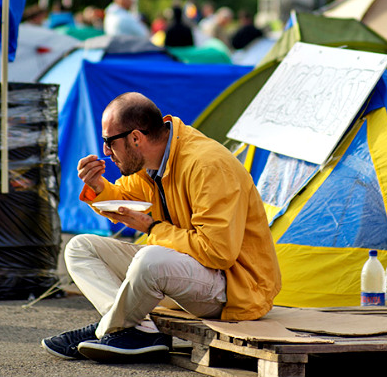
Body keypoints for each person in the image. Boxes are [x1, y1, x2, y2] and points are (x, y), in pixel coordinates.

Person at [42, 92, 282, 363]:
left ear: (135, 138)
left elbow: (218, 253)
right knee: (79, 247)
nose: (106, 152)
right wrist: (98, 187)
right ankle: (134, 328)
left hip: (236, 288)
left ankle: (105, 330)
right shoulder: (151, 162)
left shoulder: (207, 165)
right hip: (186, 276)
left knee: (150, 257)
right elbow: (126, 200)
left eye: (109, 142)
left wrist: (153, 227)